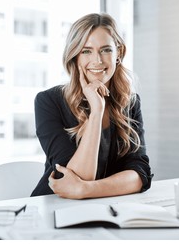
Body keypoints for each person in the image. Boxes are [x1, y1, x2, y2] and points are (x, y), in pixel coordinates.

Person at [31, 13, 152, 199]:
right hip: (55, 208)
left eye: (106, 50)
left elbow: (140, 174)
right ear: (75, 56)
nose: (97, 60)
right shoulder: (48, 101)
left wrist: (86, 189)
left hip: (104, 207)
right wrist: (96, 112)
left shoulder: (130, 102)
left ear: (118, 53)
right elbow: (70, 179)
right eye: (86, 51)